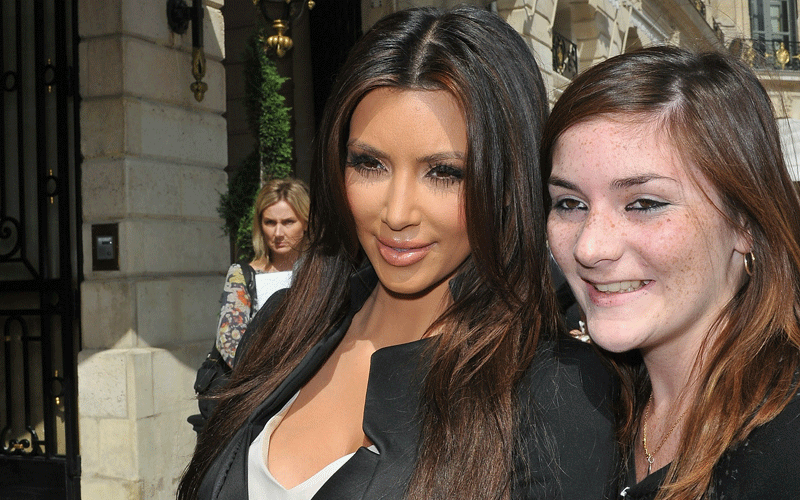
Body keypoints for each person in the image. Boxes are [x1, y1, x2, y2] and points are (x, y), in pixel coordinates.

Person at [178, 7, 617, 500]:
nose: (397, 212)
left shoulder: (557, 392)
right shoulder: (283, 326)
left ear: (508, 183)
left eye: (445, 172)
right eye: (369, 164)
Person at [543, 45, 800, 499]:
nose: (589, 247)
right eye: (570, 203)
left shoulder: (786, 446)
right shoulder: (572, 402)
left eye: (644, 204)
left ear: (745, 221)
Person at [216, 178, 309, 368]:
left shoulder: (323, 271)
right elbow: (229, 343)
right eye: (270, 222)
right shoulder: (242, 274)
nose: (278, 233)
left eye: (288, 222)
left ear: (306, 223)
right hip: (261, 385)